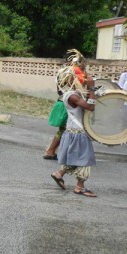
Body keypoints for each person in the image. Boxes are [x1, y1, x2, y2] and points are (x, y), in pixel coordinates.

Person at [51, 65, 97, 197]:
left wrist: (90, 88)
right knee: (85, 159)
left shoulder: (73, 93)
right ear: (72, 79)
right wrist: (92, 87)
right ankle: (79, 187)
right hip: (78, 132)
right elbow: (90, 107)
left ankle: (59, 174)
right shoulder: (72, 96)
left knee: (74, 157)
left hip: (74, 131)